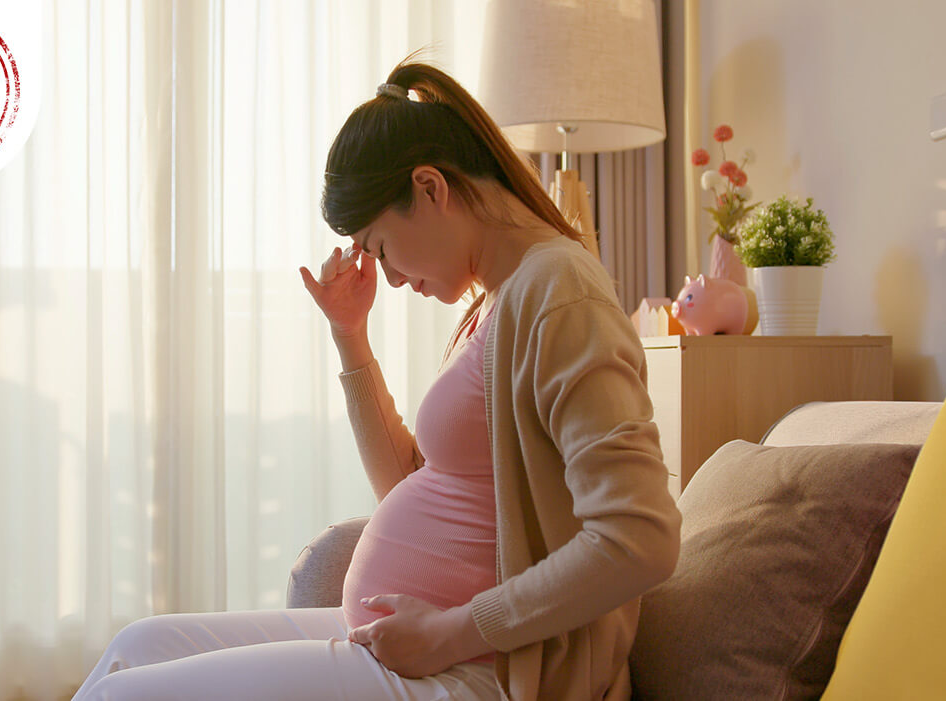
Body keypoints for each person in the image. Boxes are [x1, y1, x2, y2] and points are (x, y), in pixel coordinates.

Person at [70, 58, 681, 701]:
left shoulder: (558, 291)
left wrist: (449, 632)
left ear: (430, 188)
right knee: (134, 648)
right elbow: (409, 485)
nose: (386, 277)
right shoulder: (496, 300)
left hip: (493, 670)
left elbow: (639, 539)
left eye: (381, 247)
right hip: (420, 645)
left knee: (125, 696)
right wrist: (350, 335)